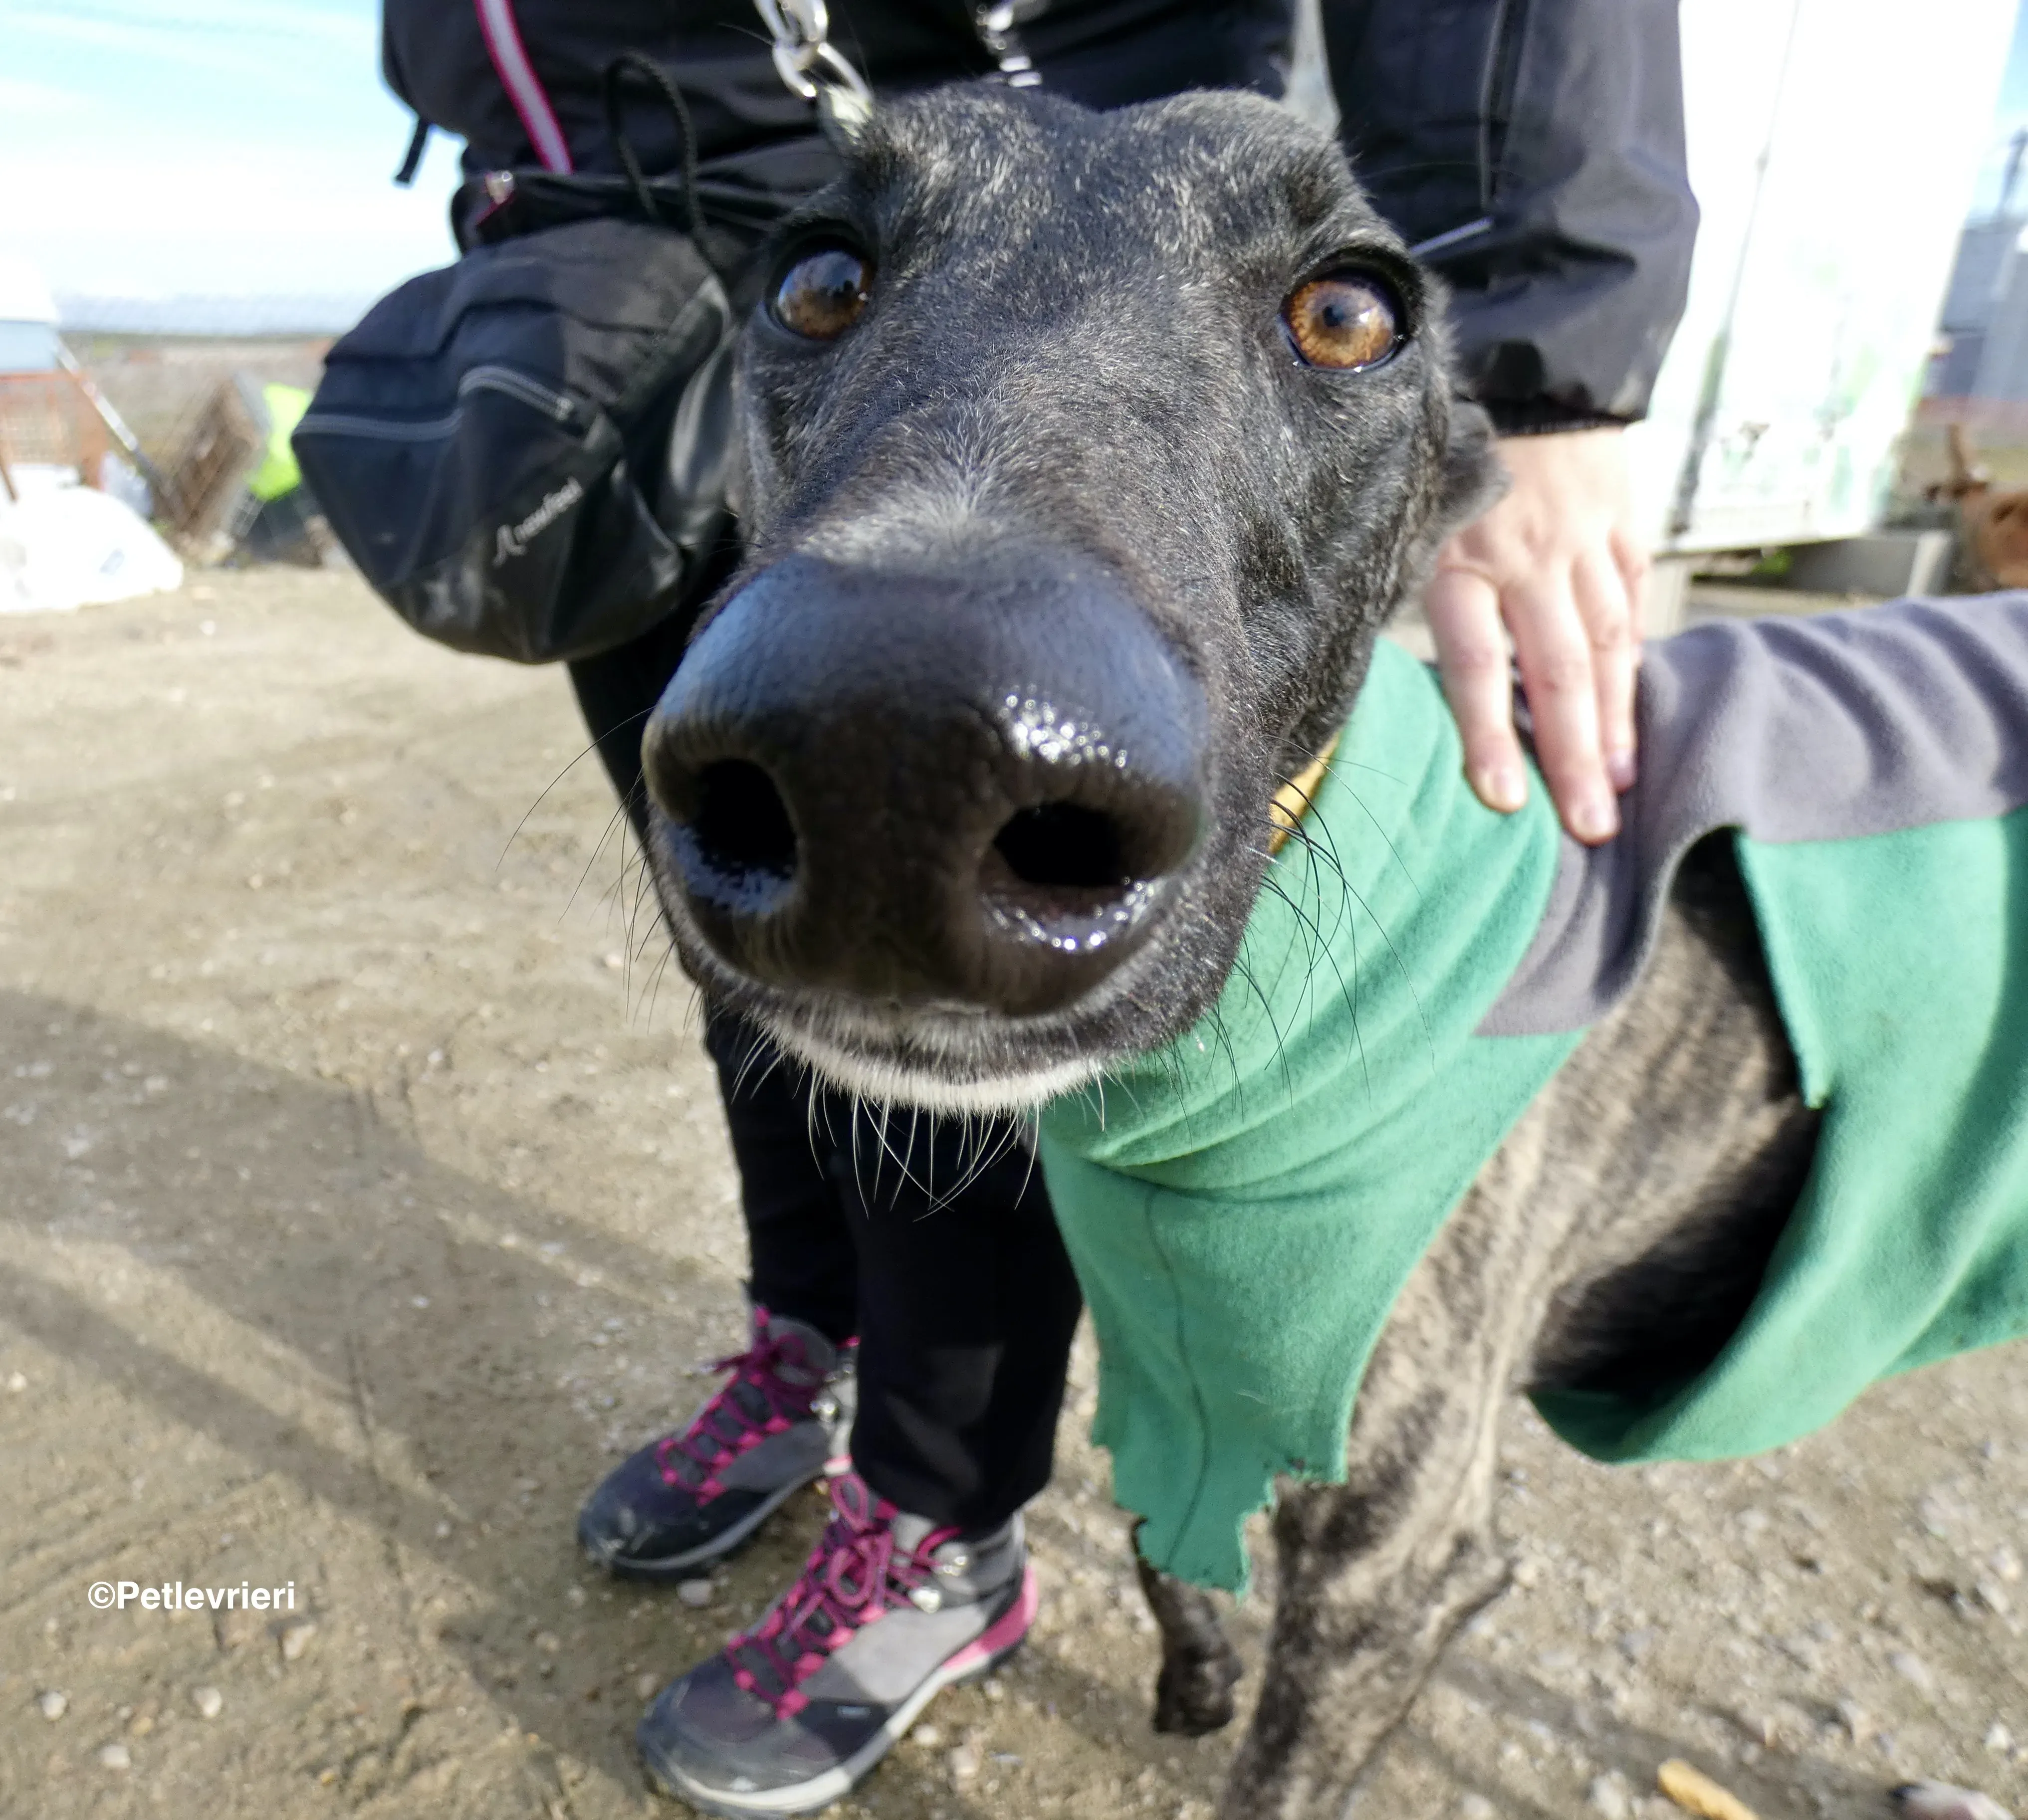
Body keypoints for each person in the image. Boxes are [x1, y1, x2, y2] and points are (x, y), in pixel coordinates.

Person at [357, 3, 1697, 1811]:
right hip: (632, 266)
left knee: (1010, 1000)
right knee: (757, 916)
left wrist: (1546, 335)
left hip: (1066, 63)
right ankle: (800, 1347)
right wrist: (804, 281)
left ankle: (932, 1513)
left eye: (1340, 320)